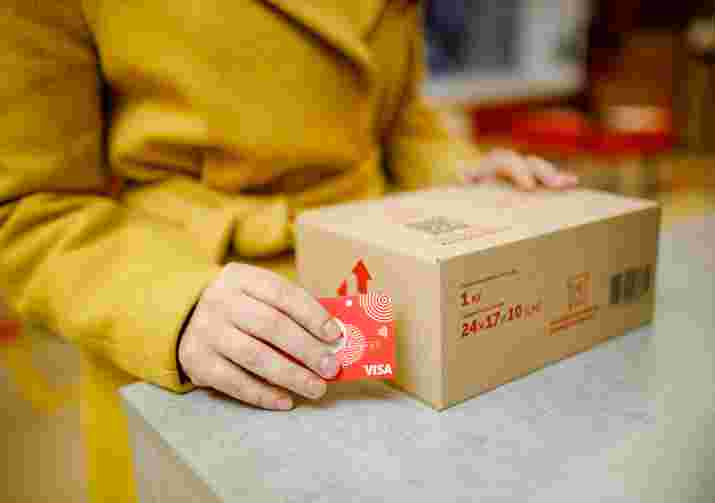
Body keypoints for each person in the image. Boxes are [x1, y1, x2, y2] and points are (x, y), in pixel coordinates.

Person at [0, 1, 577, 501]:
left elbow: (401, 118)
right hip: (203, 321)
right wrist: (171, 305)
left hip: (385, 296)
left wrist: (461, 180)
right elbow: (31, 206)